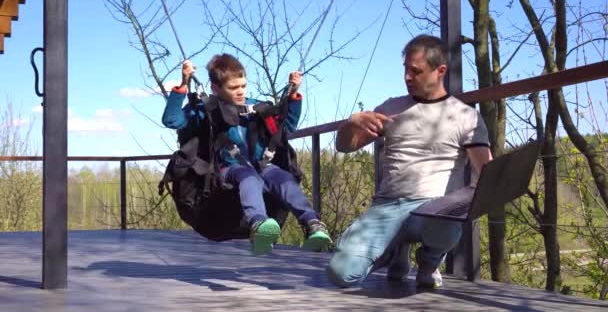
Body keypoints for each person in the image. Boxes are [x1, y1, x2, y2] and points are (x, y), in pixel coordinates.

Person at [326, 35, 492, 288]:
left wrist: (484, 191)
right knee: (341, 273)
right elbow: (344, 147)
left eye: (416, 71)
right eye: (406, 70)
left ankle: (429, 262)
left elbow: (486, 172)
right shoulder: (391, 107)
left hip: (432, 210)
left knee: (449, 218)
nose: (407, 77)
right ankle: (394, 251)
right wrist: (351, 123)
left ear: (440, 71)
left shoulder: (465, 116)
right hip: (387, 207)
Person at [162, 53, 332, 256]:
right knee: (249, 177)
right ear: (216, 88)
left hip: (262, 165)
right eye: (234, 88)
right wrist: (183, 85)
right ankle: (259, 224)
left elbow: (288, 126)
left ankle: (312, 223)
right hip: (226, 170)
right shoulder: (206, 109)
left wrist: (293, 95)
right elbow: (172, 120)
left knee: (284, 178)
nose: (241, 91)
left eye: (243, 85)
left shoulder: (257, 107)